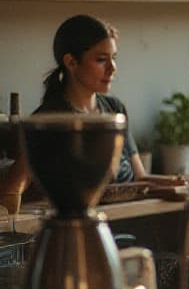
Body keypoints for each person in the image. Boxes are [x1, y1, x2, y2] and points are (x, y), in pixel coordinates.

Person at [0, 14, 177, 212]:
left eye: (114, 58)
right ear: (71, 62)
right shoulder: (50, 121)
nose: (112, 68)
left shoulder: (115, 109)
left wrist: (179, 183)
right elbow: (11, 189)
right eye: (101, 60)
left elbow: (140, 177)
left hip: (130, 215)